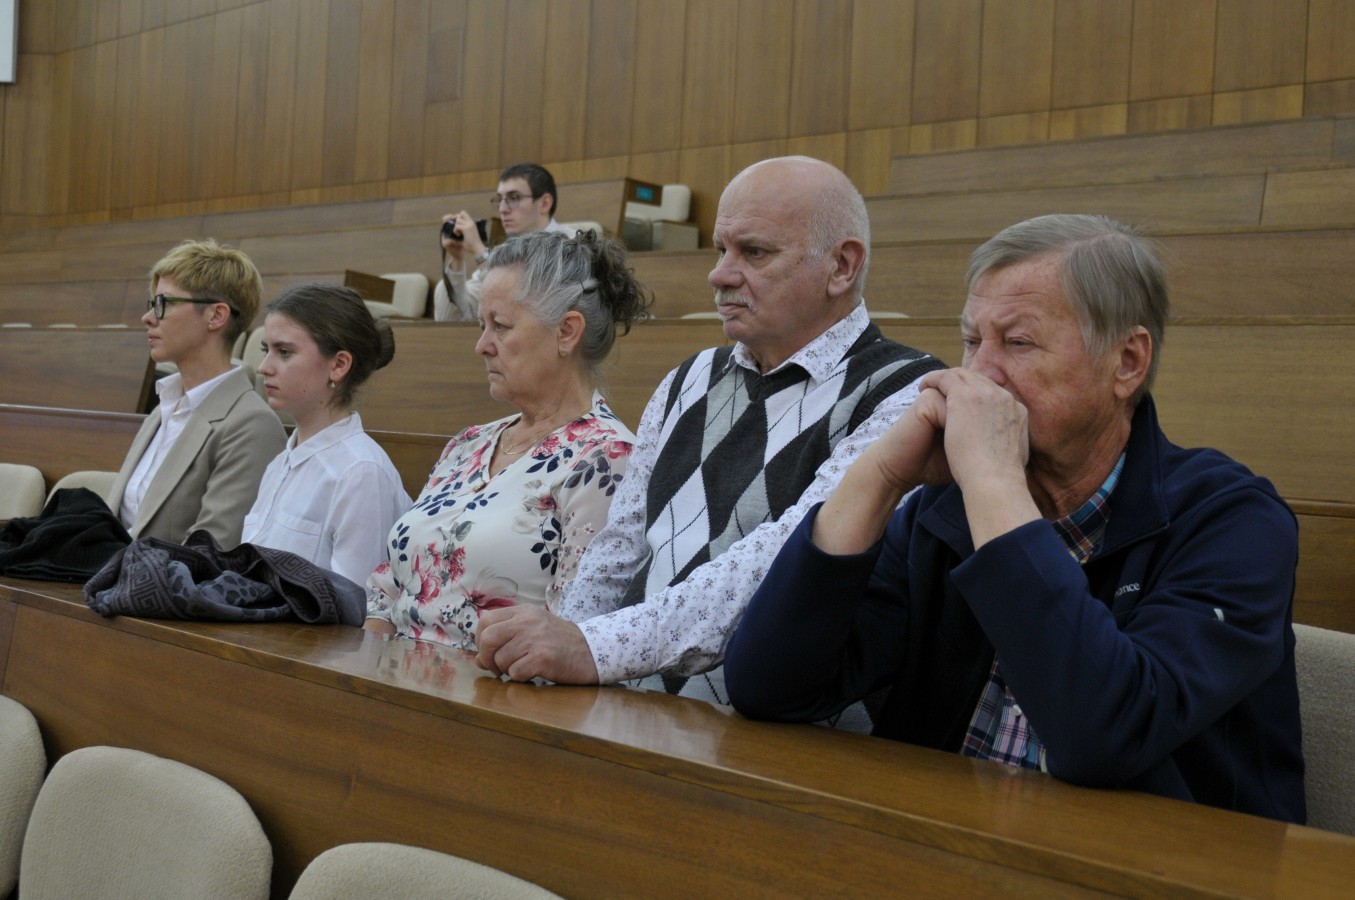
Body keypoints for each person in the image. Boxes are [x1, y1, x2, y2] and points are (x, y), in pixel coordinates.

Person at [724, 214, 1306, 823]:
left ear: (1127, 361)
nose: (979, 374)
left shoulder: (1234, 520)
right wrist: (879, 477)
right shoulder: (943, 510)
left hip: (1163, 859)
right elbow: (768, 687)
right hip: (945, 841)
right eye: (973, 341)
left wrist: (995, 482)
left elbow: (1101, 737)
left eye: (1018, 343)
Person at [475, 157, 943, 702]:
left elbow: (779, 561)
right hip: (626, 707)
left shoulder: (906, 393)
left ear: (841, 266)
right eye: (721, 249)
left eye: (754, 252)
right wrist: (559, 657)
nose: (719, 274)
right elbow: (618, 549)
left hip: (782, 732)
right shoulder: (689, 378)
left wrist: (592, 648)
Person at [364, 229, 650, 649]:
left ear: (566, 332)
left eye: (500, 326)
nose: (481, 345)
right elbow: (387, 590)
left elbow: (571, 638)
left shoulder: (607, 460)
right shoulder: (469, 443)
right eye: (482, 325)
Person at [108, 239, 286, 547]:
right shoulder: (163, 408)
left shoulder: (253, 426)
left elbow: (210, 553)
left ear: (216, 316)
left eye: (163, 303)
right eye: (152, 304)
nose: (148, 317)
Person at [241, 283, 412, 585]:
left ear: (338, 365)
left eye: (284, 352)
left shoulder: (361, 473)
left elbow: (356, 602)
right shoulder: (279, 464)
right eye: (266, 350)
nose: (264, 367)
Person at [433, 163, 576, 322]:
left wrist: (479, 251)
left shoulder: (573, 244)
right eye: (500, 199)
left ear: (544, 203)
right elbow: (450, 320)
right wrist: (457, 260)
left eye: (514, 198)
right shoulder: (503, 251)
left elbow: (533, 302)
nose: (502, 209)